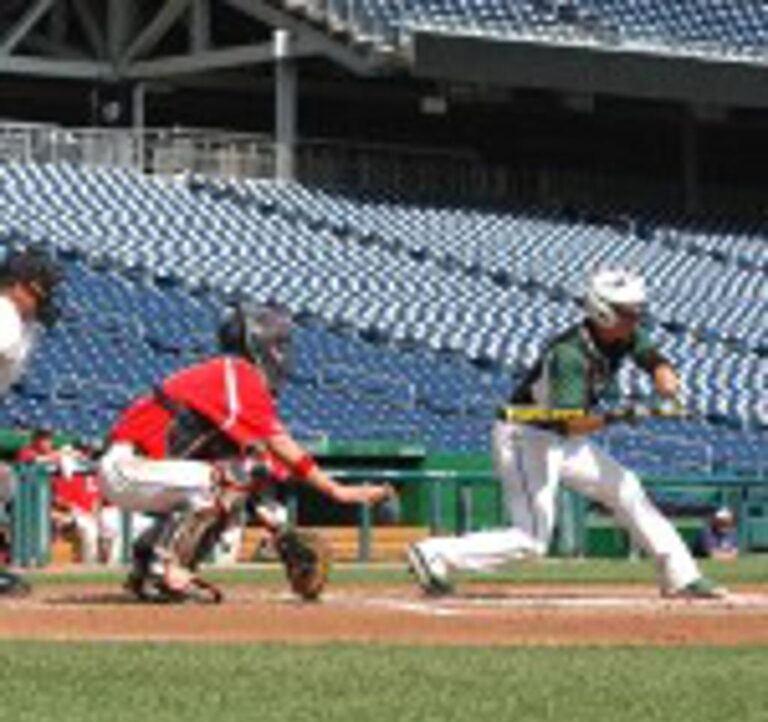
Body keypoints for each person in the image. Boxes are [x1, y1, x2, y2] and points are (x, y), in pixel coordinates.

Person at [408, 267, 726, 599]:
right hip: (526, 437)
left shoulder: (621, 335)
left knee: (626, 488)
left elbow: (650, 357)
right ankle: (434, 554)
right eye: (629, 312)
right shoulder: (569, 355)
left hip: (560, 437)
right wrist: (628, 413)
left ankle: (681, 576)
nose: (637, 318)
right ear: (603, 312)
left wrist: (664, 373)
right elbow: (571, 422)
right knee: (532, 540)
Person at [97, 302, 393, 598]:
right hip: (128, 465)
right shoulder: (236, 372)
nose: (282, 355)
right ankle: (165, 572)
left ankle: (148, 567)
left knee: (234, 485)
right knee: (227, 479)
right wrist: (335, 491)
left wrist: (278, 531)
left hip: (140, 469)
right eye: (277, 345)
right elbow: (277, 441)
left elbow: (249, 478)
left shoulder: (228, 382)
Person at [0, 245, 62, 595]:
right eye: (42, 287)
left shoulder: (15, 320)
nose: (47, 296)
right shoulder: (4, 313)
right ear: (20, 286)